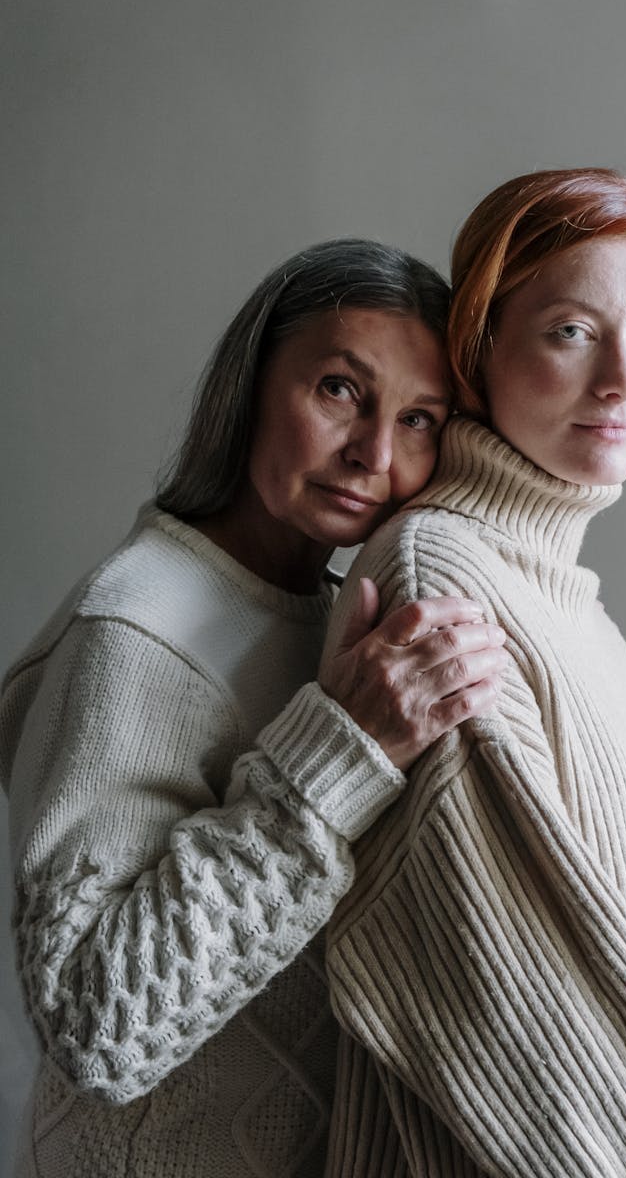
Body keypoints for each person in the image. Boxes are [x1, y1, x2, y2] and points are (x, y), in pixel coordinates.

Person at [321, 172, 626, 1176]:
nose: (622, 381)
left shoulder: (556, 595)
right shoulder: (441, 585)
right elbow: (541, 1027)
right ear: (477, 349)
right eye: (571, 332)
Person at [0, 238, 509, 1178]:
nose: (373, 453)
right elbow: (94, 1024)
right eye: (340, 390)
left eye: (419, 419)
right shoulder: (136, 626)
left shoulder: (332, 616)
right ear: (249, 386)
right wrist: (340, 756)